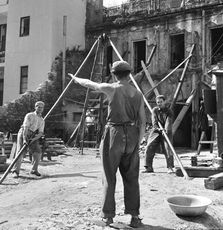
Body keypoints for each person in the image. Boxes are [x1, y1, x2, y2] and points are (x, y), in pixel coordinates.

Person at [69, 60, 146, 228]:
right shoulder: (138, 93)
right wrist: (137, 142)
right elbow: (143, 121)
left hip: (114, 134)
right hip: (132, 135)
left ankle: (108, 216)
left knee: (109, 177)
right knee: (132, 178)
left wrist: (75, 78)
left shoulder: (111, 88)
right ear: (129, 74)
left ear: (113, 74)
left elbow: (89, 84)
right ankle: (134, 217)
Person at [142, 95, 175, 174]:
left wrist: (166, 130)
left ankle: (170, 167)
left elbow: (168, 122)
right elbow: (154, 122)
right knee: (149, 146)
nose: (159, 104)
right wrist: (158, 128)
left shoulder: (169, 111)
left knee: (168, 148)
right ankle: (148, 167)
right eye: (157, 102)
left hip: (166, 131)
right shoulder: (155, 110)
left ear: (164, 102)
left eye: (160, 102)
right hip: (156, 130)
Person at [11, 101, 45, 177]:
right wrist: (24, 139)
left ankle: (34, 170)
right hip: (24, 132)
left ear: (43, 109)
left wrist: (34, 139)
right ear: (35, 107)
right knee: (20, 152)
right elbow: (26, 127)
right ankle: (15, 171)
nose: (39, 108)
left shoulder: (42, 120)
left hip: (33, 135)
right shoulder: (29, 115)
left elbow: (40, 133)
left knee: (38, 152)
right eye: (38, 107)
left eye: (41, 107)